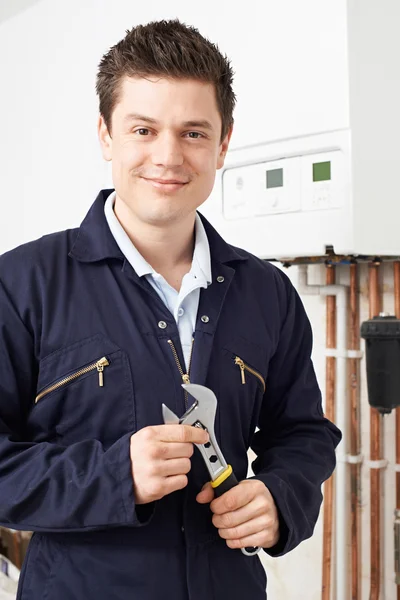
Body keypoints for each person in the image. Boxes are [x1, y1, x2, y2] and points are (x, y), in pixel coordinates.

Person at [0, 18, 341, 600]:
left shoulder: (269, 294)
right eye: (142, 129)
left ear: (223, 143)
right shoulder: (21, 285)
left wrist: (280, 497)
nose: (168, 156)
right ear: (106, 135)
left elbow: (304, 435)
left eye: (192, 133)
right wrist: (115, 475)